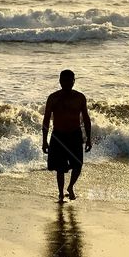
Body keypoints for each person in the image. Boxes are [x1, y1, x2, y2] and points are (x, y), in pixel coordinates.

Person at [42, 69, 92, 203]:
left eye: (70, 80)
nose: (67, 83)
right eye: (64, 80)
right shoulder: (53, 98)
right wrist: (44, 141)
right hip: (58, 135)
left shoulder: (80, 97)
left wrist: (88, 139)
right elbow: (46, 120)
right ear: (60, 81)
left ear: (74, 81)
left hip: (75, 134)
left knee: (78, 165)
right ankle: (60, 193)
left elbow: (86, 119)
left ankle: (70, 187)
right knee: (60, 168)